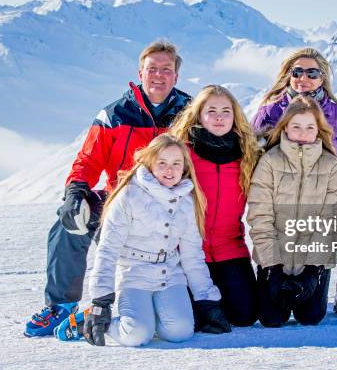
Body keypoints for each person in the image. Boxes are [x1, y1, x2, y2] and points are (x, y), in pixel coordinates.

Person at [25, 40, 192, 337]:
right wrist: (76, 191)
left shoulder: (190, 114)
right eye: (151, 68)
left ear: (176, 76)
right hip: (119, 200)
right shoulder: (115, 114)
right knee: (70, 222)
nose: (158, 75)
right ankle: (62, 305)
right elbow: (89, 159)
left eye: (166, 69)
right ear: (139, 73)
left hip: (170, 204)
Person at [251, 48, 337, 318]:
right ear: (288, 75)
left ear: (322, 78)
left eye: (312, 73)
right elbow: (253, 155)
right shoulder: (270, 112)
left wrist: (334, 191)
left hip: (325, 197)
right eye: (296, 72)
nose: (303, 78)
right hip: (282, 199)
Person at [74, 134, 230, 346]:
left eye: (176, 163)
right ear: (149, 163)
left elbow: (192, 255)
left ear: (184, 167)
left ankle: (150, 316)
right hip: (133, 274)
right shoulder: (129, 195)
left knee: (181, 332)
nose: (169, 170)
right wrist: (101, 300)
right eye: (162, 163)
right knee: (136, 334)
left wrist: (207, 301)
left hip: (170, 275)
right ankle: (83, 322)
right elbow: (108, 249)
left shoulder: (187, 200)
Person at [247, 96, 337, 327]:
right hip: (275, 259)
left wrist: (313, 269)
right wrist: (272, 267)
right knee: (271, 319)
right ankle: (270, 277)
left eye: (310, 127)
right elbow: (260, 216)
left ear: (319, 130)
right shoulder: (270, 162)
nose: (303, 133)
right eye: (296, 126)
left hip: (312, 261)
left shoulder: (330, 165)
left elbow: (333, 219)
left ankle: (316, 277)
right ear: (285, 127)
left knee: (310, 317)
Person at [170, 85, 259, 327]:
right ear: (198, 115)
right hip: (189, 251)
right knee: (188, 319)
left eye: (225, 111)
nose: (219, 117)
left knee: (245, 316)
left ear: (235, 116)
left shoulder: (247, 153)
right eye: (211, 111)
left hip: (231, 247)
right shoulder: (182, 152)